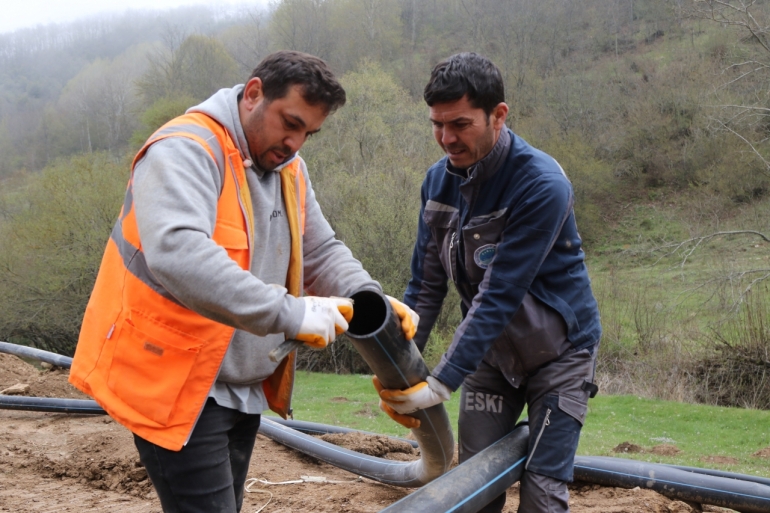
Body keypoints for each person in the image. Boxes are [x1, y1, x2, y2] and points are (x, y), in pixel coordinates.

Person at [69, 50, 417, 513]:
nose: (295, 143)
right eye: (288, 123)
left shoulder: (287, 168)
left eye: (307, 133)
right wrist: (293, 313)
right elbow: (179, 254)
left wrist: (368, 298)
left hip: (239, 385)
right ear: (253, 94)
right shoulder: (185, 149)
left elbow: (318, 249)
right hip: (177, 386)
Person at [374, 52, 602, 513]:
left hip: (559, 357)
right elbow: (425, 286)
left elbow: (500, 293)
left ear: (498, 115)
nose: (446, 138)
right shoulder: (437, 183)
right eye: (437, 124)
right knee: (474, 486)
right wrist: (400, 369)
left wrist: (440, 382)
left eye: (460, 124)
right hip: (491, 357)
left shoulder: (541, 183)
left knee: (541, 492)